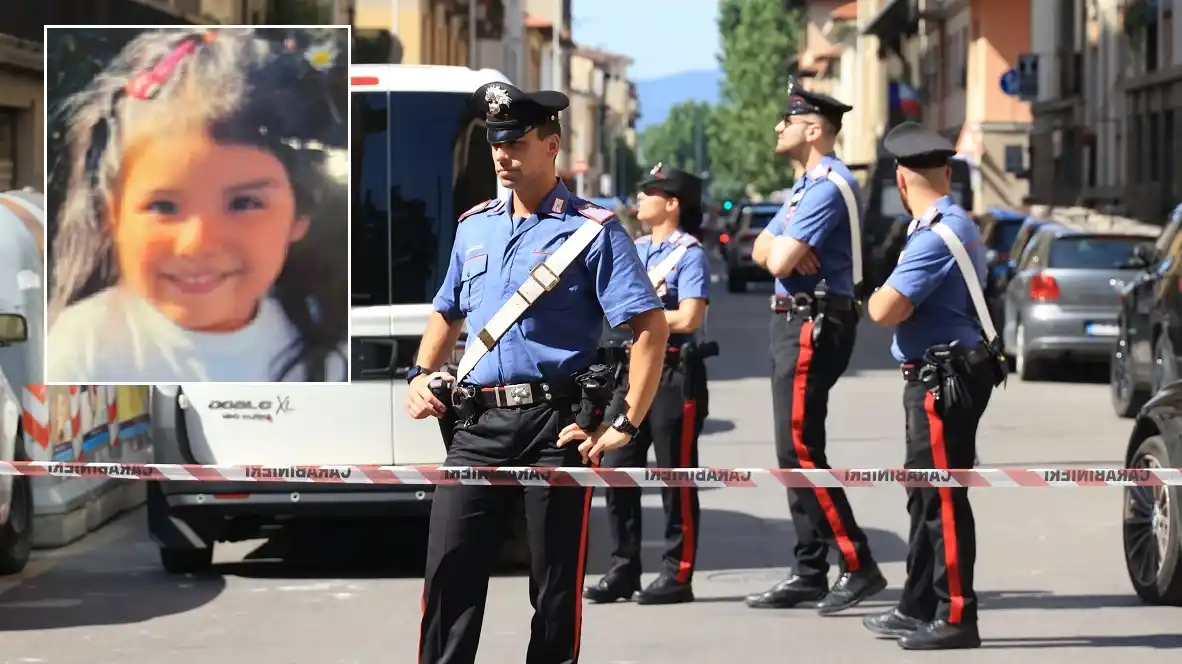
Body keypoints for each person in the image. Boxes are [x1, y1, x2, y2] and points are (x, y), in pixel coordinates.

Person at [405, 81, 669, 664]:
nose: (502, 155)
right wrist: (420, 374)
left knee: (553, 589)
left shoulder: (593, 231)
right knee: (449, 575)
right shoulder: (474, 225)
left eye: (517, 143)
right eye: (496, 143)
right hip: (476, 425)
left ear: (551, 145)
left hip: (555, 426)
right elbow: (446, 312)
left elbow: (650, 328)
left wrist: (624, 423)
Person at [46, 28, 348, 383]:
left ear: (300, 212)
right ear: (113, 214)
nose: (197, 242)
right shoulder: (83, 351)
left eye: (244, 203)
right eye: (163, 206)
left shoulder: (324, 346)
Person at [744, 77, 886, 614]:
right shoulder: (806, 187)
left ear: (813, 129)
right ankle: (809, 568)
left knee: (801, 448)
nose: (779, 127)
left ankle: (858, 562)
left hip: (813, 321)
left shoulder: (827, 185)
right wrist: (779, 246)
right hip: (796, 320)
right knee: (791, 449)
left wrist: (781, 249)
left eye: (788, 120)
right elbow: (762, 246)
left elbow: (778, 261)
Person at [861, 121, 1003, 650]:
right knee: (924, 496)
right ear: (946, 173)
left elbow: (884, 309)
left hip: (943, 378)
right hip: (935, 373)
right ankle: (916, 604)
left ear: (901, 179)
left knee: (942, 497)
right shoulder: (943, 224)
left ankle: (957, 615)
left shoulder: (939, 233)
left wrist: (878, 290)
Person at [584, 164, 711, 606]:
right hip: (629, 369)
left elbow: (690, 316)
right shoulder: (633, 248)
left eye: (649, 193)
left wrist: (644, 318)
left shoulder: (689, 253)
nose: (639, 200)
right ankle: (623, 569)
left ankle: (678, 573)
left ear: (672, 204)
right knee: (619, 467)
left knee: (674, 474)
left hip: (674, 371)